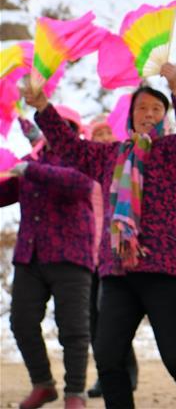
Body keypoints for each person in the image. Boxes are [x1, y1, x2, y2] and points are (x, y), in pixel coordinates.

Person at [24, 63, 176, 409]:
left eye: (157, 109)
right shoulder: (109, 155)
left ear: (165, 118)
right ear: (130, 116)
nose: (149, 114)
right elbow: (70, 146)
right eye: (142, 107)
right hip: (118, 273)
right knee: (109, 358)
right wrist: (42, 107)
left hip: (163, 270)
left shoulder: (174, 152)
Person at [1, 109, 95, 409]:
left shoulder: (85, 159)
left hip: (71, 255)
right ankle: (43, 384)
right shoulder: (32, 162)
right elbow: (6, 193)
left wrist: (27, 169)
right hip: (30, 256)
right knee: (22, 322)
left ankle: (75, 393)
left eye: (63, 128)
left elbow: (77, 184)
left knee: (73, 329)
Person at [82, 115, 139, 399]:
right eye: (97, 134)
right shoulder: (83, 170)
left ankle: (126, 370)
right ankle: (105, 374)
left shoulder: (121, 166)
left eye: (107, 133)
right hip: (84, 256)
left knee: (110, 317)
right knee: (92, 319)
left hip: (111, 254)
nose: (103, 138)